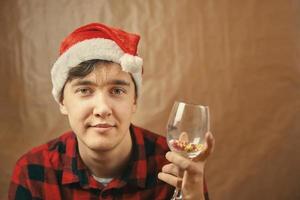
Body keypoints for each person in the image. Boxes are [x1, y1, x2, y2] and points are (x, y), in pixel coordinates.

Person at [8, 23, 214, 200]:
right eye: (84, 90)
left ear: (134, 101)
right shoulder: (33, 170)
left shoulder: (174, 169)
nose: (103, 109)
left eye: (117, 90)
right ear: (62, 102)